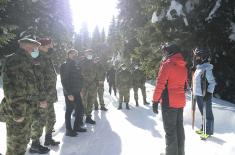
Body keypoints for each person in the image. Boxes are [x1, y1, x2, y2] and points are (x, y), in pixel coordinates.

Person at [1, 38, 43, 155]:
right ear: (28, 47)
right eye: (35, 48)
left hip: (27, 110)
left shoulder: (28, 61)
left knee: (22, 142)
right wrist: (18, 113)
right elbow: (13, 90)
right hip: (19, 112)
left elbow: (30, 87)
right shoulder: (16, 61)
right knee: (16, 146)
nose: (36, 51)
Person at [152, 43, 188, 155]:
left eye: (166, 51)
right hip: (180, 101)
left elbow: (160, 84)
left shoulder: (167, 64)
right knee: (178, 128)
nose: (165, 54)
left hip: (169, 101)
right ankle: (180, 152)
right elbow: (185, 85)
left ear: (171, 52)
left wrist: (155, 100)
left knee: (170, 131)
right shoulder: (183, 66)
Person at [38, 38, 60, 146]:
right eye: (49, 45)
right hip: (42, 98)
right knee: (39, 121)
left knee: (51, 118)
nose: (52, 47)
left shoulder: (47, 58)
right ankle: (35, 143)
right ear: (41, 46)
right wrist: (41, 98)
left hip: (48, 96)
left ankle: (48, 139)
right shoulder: (38, 58)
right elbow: (38, 79)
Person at [60, 49, 87, 137]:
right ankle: (68, 129)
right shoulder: (65, 65)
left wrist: (81, 89)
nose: (74, 55)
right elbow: (64, 80)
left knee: (80, 108)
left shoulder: (76, 65)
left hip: (77, 91)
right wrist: (68, 93)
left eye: (75, 54)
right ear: (68, 54)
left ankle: (76, 126)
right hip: (70, 92)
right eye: (72, 53)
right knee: (69, 110)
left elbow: (80, 78)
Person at [192, 48, 216, 139]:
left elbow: (212, 82)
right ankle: (203, 128)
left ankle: (208, 131)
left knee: (208, 113)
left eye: (198, 56)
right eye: (196, 56)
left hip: (205, 95)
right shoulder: (199, 68)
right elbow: (197, 81)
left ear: (203, 57)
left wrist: (209, 93)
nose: (197, 58)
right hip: (198, 94)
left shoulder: (207, 68)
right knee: (203, 112)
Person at [79, 49, 98, 124]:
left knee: (91, 101)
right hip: (84, 85)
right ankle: (80, 117)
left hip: (92, 86)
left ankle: (88, 117)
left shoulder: (94, 63)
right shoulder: (82, 63)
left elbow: (96, 74)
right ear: (85, 54)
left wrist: (96, 84)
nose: (90, 54)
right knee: (82, 101)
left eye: (91, 53)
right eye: (88, 53)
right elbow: (79, 75)